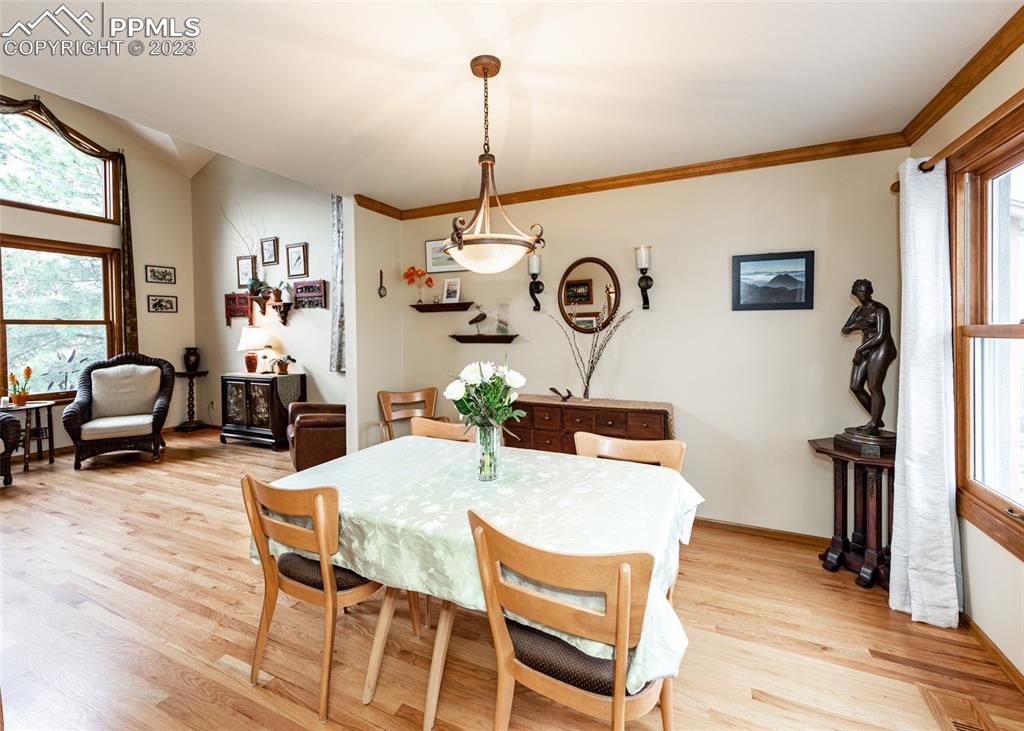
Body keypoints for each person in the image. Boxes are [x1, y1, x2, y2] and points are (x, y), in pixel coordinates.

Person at [841, 279, 897, 434]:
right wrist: (854, 326)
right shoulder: (858, 311)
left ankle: (873, 423)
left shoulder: (880, 309)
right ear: (855, 293)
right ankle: (877, 418)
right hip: (867, 347)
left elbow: (881, 335)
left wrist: (859, 350)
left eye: (865, 290)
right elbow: (845, 329)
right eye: (859, 291)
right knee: (856, 386)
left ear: (870, 291)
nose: (863, 294)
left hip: (882, 347)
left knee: (874, 386)